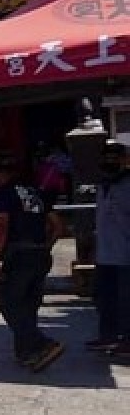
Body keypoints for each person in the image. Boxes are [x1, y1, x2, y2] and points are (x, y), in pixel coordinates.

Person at [0, 153, 65, 372]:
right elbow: (58, 226)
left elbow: (2, 226)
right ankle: (26, 352)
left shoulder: (4, 193)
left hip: (19, 255)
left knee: (9, 303)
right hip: (40, 254)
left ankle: (41, 344)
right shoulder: (35, 192)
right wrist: (46, 245)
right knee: (29, 305)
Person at [90, 141, 130, 356]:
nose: (111, 162)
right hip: (105, 254)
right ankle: (108, 337)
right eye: (107, 157)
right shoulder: (103, 184)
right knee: (105, 300)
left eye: (115, 158)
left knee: (126, 302)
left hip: (126, 254)